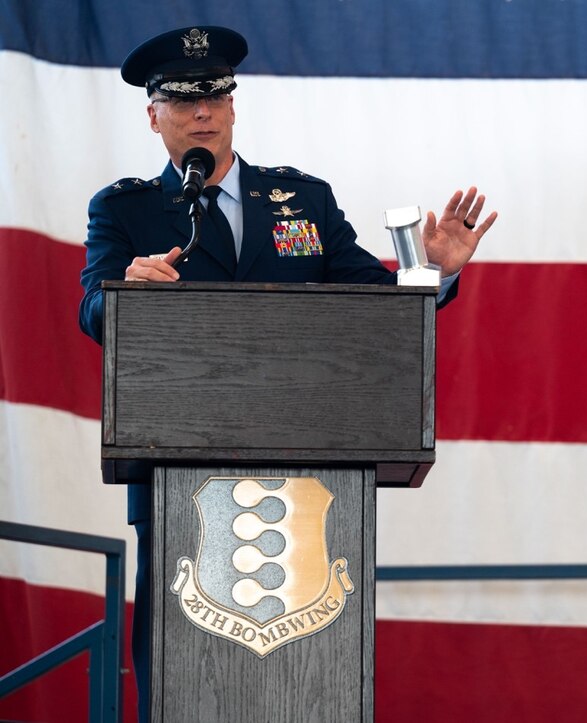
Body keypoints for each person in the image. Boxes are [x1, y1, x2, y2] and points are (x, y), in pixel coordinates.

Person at [77, 25, 497, 720]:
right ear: (153, 116)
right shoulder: (124, 210)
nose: (202, 113)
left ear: (234, 106)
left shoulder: (302, 200)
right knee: (180, 684)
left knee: (309, 684)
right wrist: (126, 290)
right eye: (182, 102)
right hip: (178, 473)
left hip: (312, 477)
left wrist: (431, 273)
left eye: (215, 96)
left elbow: (375, 309)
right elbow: (93, 310)